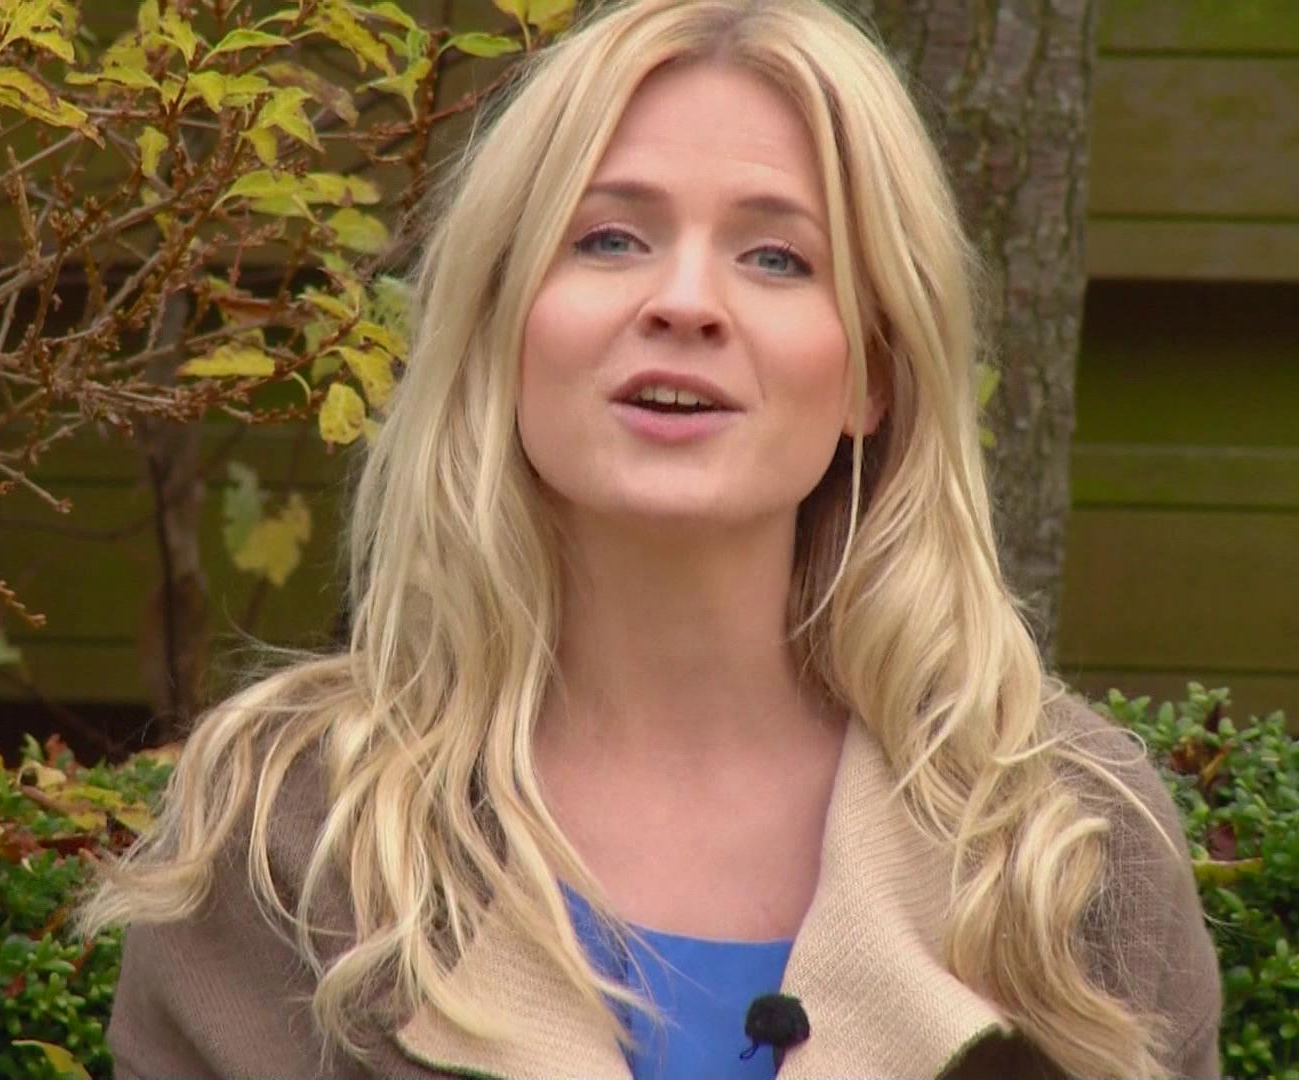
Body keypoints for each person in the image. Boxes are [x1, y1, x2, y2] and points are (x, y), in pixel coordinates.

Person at [73, 0, 1225, 1076]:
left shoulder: (1065, 842)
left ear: (872, 374)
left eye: (776, 257)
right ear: (502, 326)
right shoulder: (289, 833)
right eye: (611, 239)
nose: (685, 301)